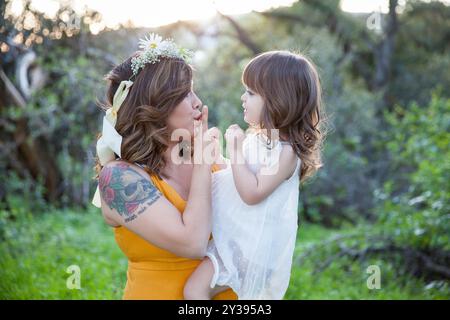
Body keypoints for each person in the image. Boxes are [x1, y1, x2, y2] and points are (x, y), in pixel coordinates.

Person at [92, 34, 237, 299]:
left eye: (194, 90)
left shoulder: (208, 158)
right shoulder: (118, 177)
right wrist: (204, 163)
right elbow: (192, 243)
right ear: (153, 105)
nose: (197, 102)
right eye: (183, 93)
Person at [184, 50, 325, 300]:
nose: (242, 98)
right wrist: (219, 157)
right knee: (198, 291)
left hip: (250, 248)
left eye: (250, 93)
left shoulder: (286, 152)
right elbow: (238, 178)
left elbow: (252, 193)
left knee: (195, 290)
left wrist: (236, 149)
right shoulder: (262, 139)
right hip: (241, 240)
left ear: (277, 99)